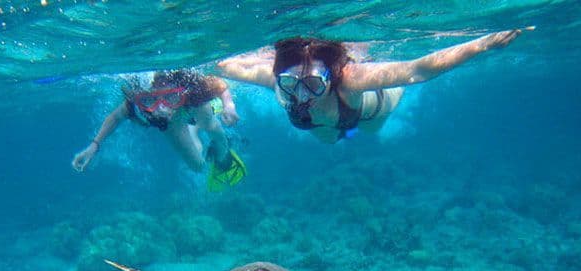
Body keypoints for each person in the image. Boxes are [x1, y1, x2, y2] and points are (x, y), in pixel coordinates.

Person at [217, 30, 528, 143]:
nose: (300, 95)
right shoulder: (274, 81)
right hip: (324, 124)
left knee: (370, 130)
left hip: (369, 111)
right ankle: (343, 135)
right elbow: (226, 66)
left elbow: (417, 70)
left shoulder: (351, 78)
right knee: (326, 140)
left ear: (329, 77)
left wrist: (482, 45)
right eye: (289, 84)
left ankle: (351, 131)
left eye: (312, 84)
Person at [72, 69, 247, 190]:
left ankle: (221, 150)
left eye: (170, 97)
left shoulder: (192, 86)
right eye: (149, 101)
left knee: (210, 125)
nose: (160, 109)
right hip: (174, 123)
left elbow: (220, 85)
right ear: (141, 99)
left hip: (191, 105)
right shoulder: (137, 102)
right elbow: (116, 117)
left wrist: (229, 106)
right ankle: (193, 129)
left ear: (179, 91)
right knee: (197, 166)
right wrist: (94, 146)